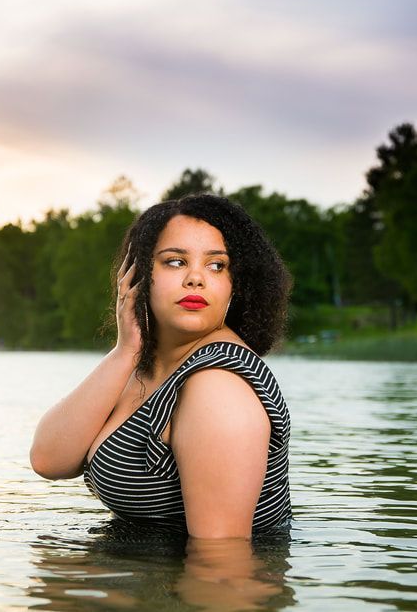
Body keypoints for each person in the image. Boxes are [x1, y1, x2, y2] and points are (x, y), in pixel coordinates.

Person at [30, 194, 293, 539]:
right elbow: (49, 460)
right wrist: (126, 351)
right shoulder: (142, 362)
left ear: (236, 284)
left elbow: (222, 566)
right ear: (137, 275)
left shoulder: (219, 386)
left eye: (217, 265)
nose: (196, 278)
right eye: (175, 262)